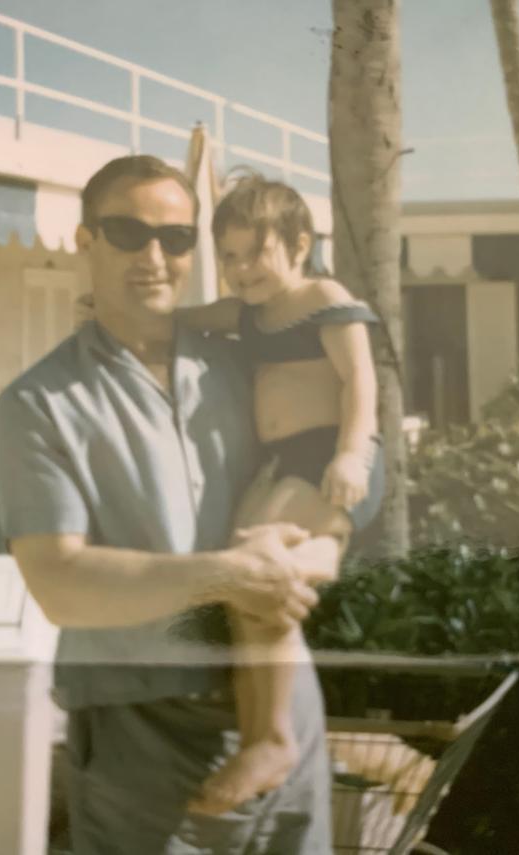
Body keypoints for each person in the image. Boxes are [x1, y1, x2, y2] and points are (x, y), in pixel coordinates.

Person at [0, 155, 335, 853]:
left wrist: (315, 555)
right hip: (142, 739)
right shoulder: (38, 404)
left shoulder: (248, 361)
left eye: (176, 238)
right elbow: (60, 583)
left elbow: (330, 459)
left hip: (288, 715)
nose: (155, 255)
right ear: (86, 242)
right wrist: (231, 575)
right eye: (127, 232)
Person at [177, 174, 384, 815]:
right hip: (283, 465)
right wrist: (119, 314)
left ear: (298, 244)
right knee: (252, 586)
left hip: (328, 456)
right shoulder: (250, 315)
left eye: (254, 254)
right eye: (230, 257)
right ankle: (263, 736)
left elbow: (360, 383)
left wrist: (352, 453)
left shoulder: (324, 297)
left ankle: (270, 740)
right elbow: (185, 318)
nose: (240, 270)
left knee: (253, 562)